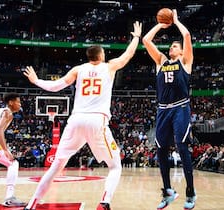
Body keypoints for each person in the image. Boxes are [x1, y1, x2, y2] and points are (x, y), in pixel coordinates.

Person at [22, 21, 142, 210]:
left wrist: (36, 80)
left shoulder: (78, 69)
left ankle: (32, 204)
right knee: (115, 166)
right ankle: (104, 202)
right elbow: (128, 54)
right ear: (101, 55)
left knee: (56, 167)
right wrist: (135, 37)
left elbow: (56, 86)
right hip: (96, 120)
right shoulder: (109, 67)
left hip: (76, 120)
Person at [142, 9, 196, 210]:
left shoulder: (185, 62)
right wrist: (160, 25)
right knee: (161, 150)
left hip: (180, 107)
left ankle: (190, 192)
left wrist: (176, 21)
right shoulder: (161, 61)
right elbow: (146, 40)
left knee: (182, 148)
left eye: (175, 46)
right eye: (171, 45)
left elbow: (187, 35)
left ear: (181, 51)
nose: (171, 47)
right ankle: (168, 191)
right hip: (163, 110)